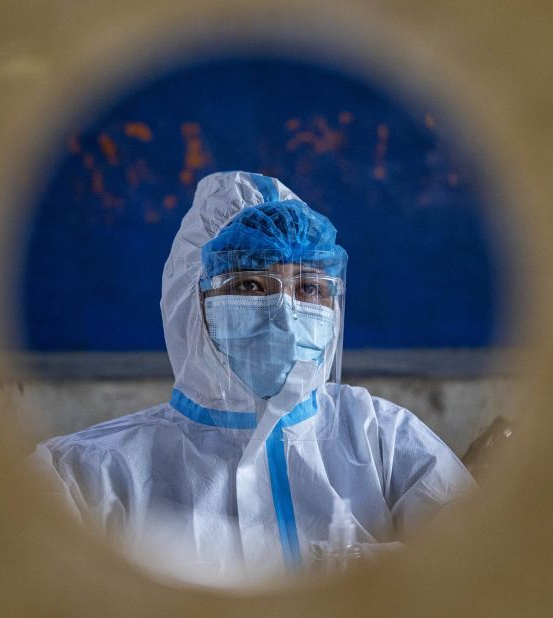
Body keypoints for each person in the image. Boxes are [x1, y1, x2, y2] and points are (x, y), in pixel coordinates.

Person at [30, 171, 474, 584]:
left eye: (309, 288)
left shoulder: (384, 440)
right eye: (248, 285)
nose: (285, 312)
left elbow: (481, 574)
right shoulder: (85, 478)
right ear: (191, 299)